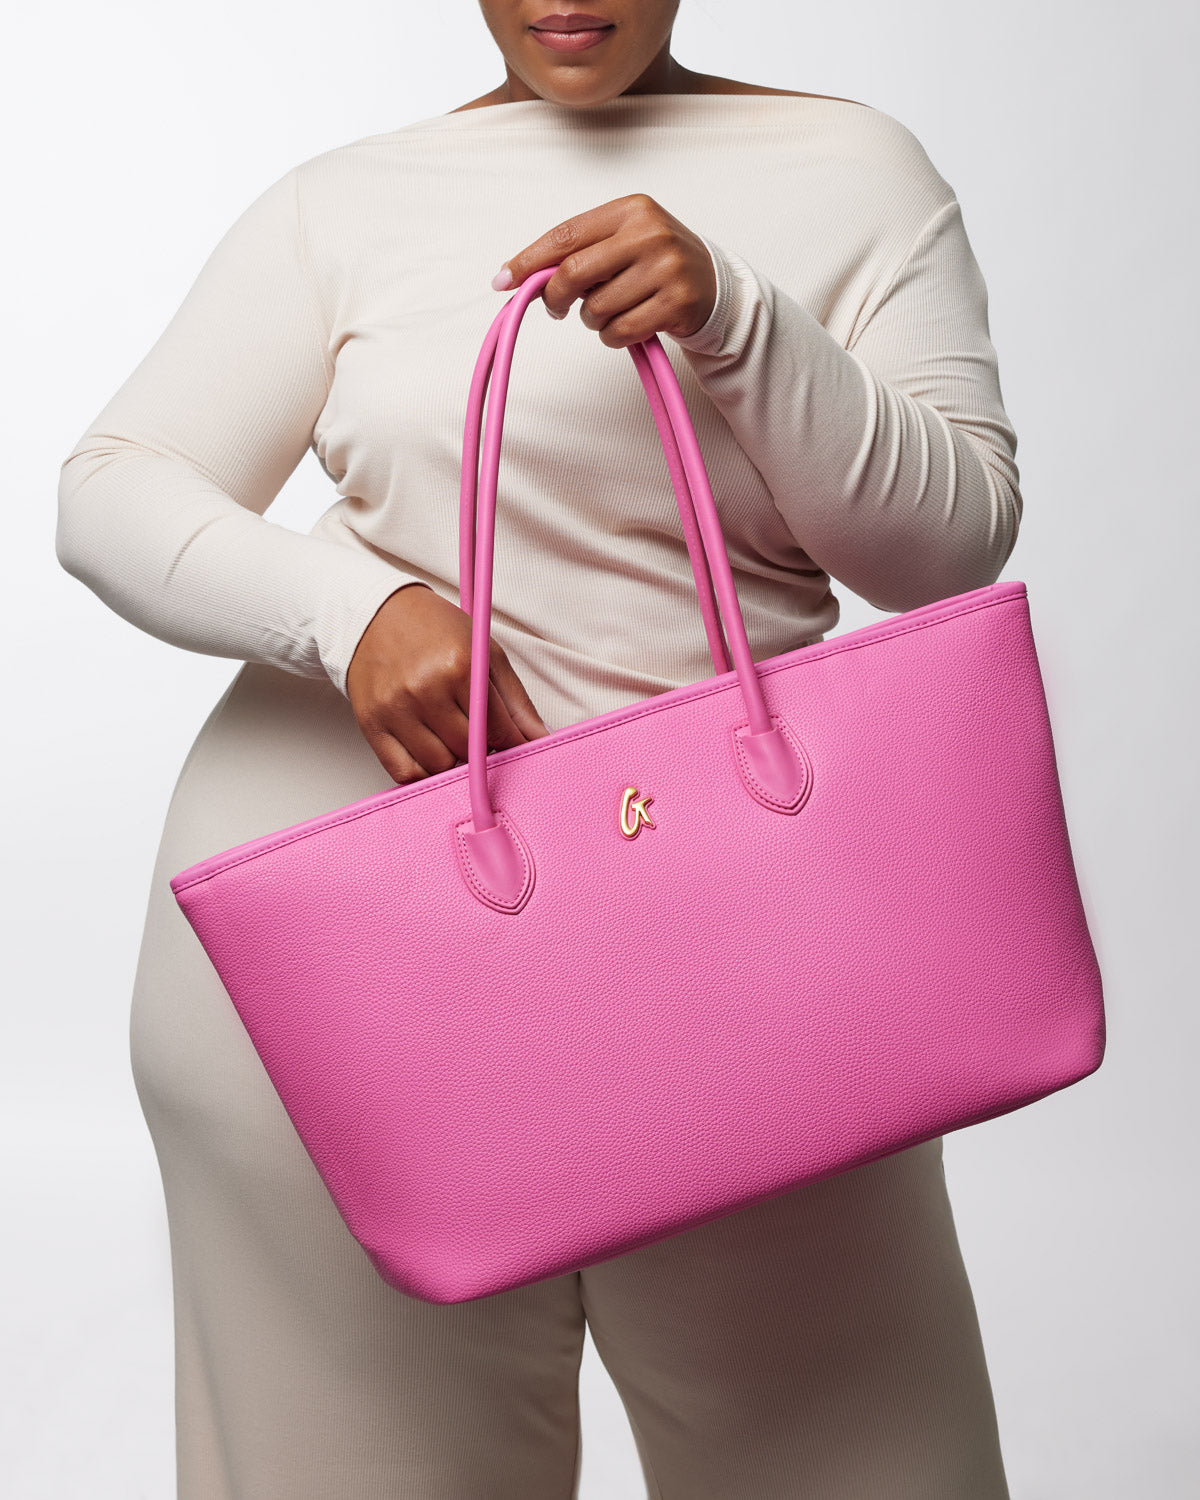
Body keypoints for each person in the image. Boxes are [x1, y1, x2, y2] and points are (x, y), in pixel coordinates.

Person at [55, 2, 1021, 1495]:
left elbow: (945, 545)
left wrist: (734, 316)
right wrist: (355, 609)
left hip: (755, 966)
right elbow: (113, 487)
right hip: (342, 991)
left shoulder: (850, 167)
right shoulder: (345, 204)